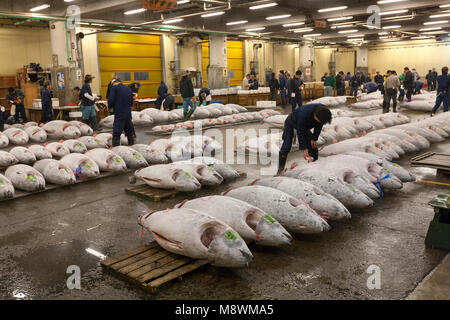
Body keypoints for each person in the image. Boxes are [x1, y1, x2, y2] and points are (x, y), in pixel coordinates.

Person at [277, 104, 332, 174]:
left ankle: (313, 166)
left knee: (313, 146)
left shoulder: (323, 112)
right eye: (318, 120)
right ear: (315, 115)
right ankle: (280, 169)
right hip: (291, 122)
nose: (318, 122)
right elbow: (300, 132)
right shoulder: (304, 114)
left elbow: (319, 126)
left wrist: (314, 139)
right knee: (286, 146)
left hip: (305, 125)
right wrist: (304, 148)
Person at [108, 78, 135, 147]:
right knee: (129, 129)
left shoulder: (114, 88)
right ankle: (131, 144)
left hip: (119, 111)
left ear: (114, 83)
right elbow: (132, 101)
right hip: (128, 112)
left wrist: (109, 106)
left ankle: (116, 147)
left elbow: (111, 99)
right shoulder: (128, 89)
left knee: (117, 129)